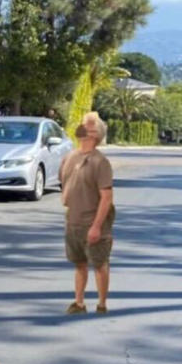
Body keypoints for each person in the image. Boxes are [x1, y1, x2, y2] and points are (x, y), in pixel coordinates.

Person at [60, 110, 114, 315]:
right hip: (73, 221)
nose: (82, 129)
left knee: (99, 264)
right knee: (79, 263)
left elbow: (106, 197)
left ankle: (101, 304)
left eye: (88, 127)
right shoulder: (70, 157)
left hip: (93, 222)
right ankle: (79, 302)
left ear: (95, 135)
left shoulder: (101, 162)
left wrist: (97, 226)